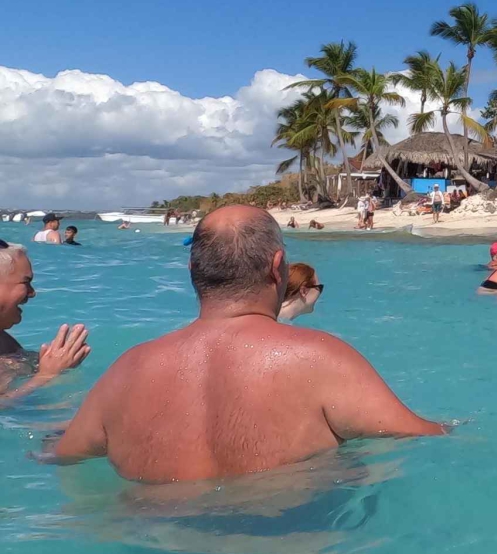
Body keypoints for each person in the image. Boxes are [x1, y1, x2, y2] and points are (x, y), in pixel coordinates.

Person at [51, 206, 445, 481]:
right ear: (277, 268)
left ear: (193, 270)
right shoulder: (321, 360)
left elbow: (61, 458)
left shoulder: (126, 372)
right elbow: (426, 438)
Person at [0, 243, 91, 403]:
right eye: (25, 282)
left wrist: (58, 361)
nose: (32, 293)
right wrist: (46, 376)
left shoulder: (4, 340)